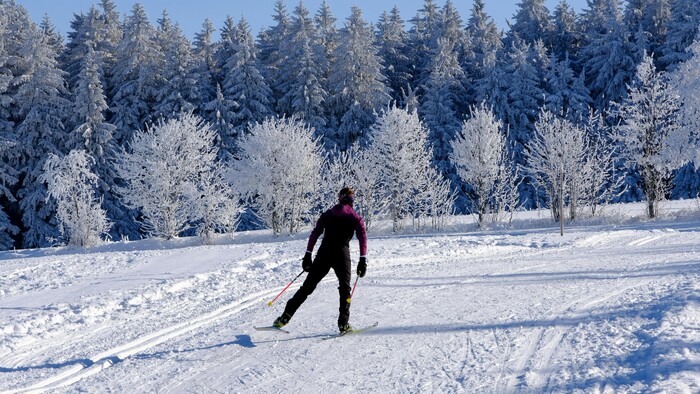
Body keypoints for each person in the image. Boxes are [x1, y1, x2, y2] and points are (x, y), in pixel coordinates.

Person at [273, 187, 367, 333]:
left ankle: (285, 316)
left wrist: (308, 254)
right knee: (345, 289)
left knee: (307, 287)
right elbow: (363, 238)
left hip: (324, 253)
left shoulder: (328, 214)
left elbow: (315, 234)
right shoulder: (355, 217)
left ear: (340, 198)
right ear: (351, 200)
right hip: (342, 254)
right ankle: (343, 324)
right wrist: (362, 260)